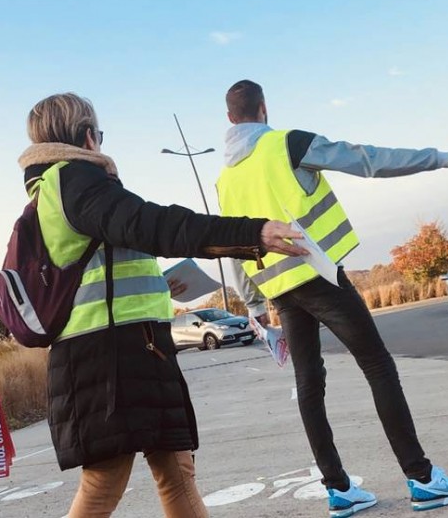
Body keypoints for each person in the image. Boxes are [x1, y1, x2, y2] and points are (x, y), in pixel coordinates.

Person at [215, 80, 448, 517]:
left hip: (279, 292)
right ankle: (422, 479)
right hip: (319, 276)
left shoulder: (225, 179)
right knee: (378, 365)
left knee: (309, 384)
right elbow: (368, 159)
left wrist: (254, 309)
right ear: (263, 109)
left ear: (230, 119)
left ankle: (339, 490)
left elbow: (234, 250)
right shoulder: (287, 144)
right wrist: (444, 158)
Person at [20, 93, 305, 518]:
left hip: (128, 346)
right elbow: (155, 224)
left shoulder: (52, 190)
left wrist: (157, 282)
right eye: (99, 134)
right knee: (105, 483)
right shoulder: (75, 180)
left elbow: (109, 261)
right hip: (110, 355)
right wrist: (253, 231)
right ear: (87, 136)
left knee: (175, 469)